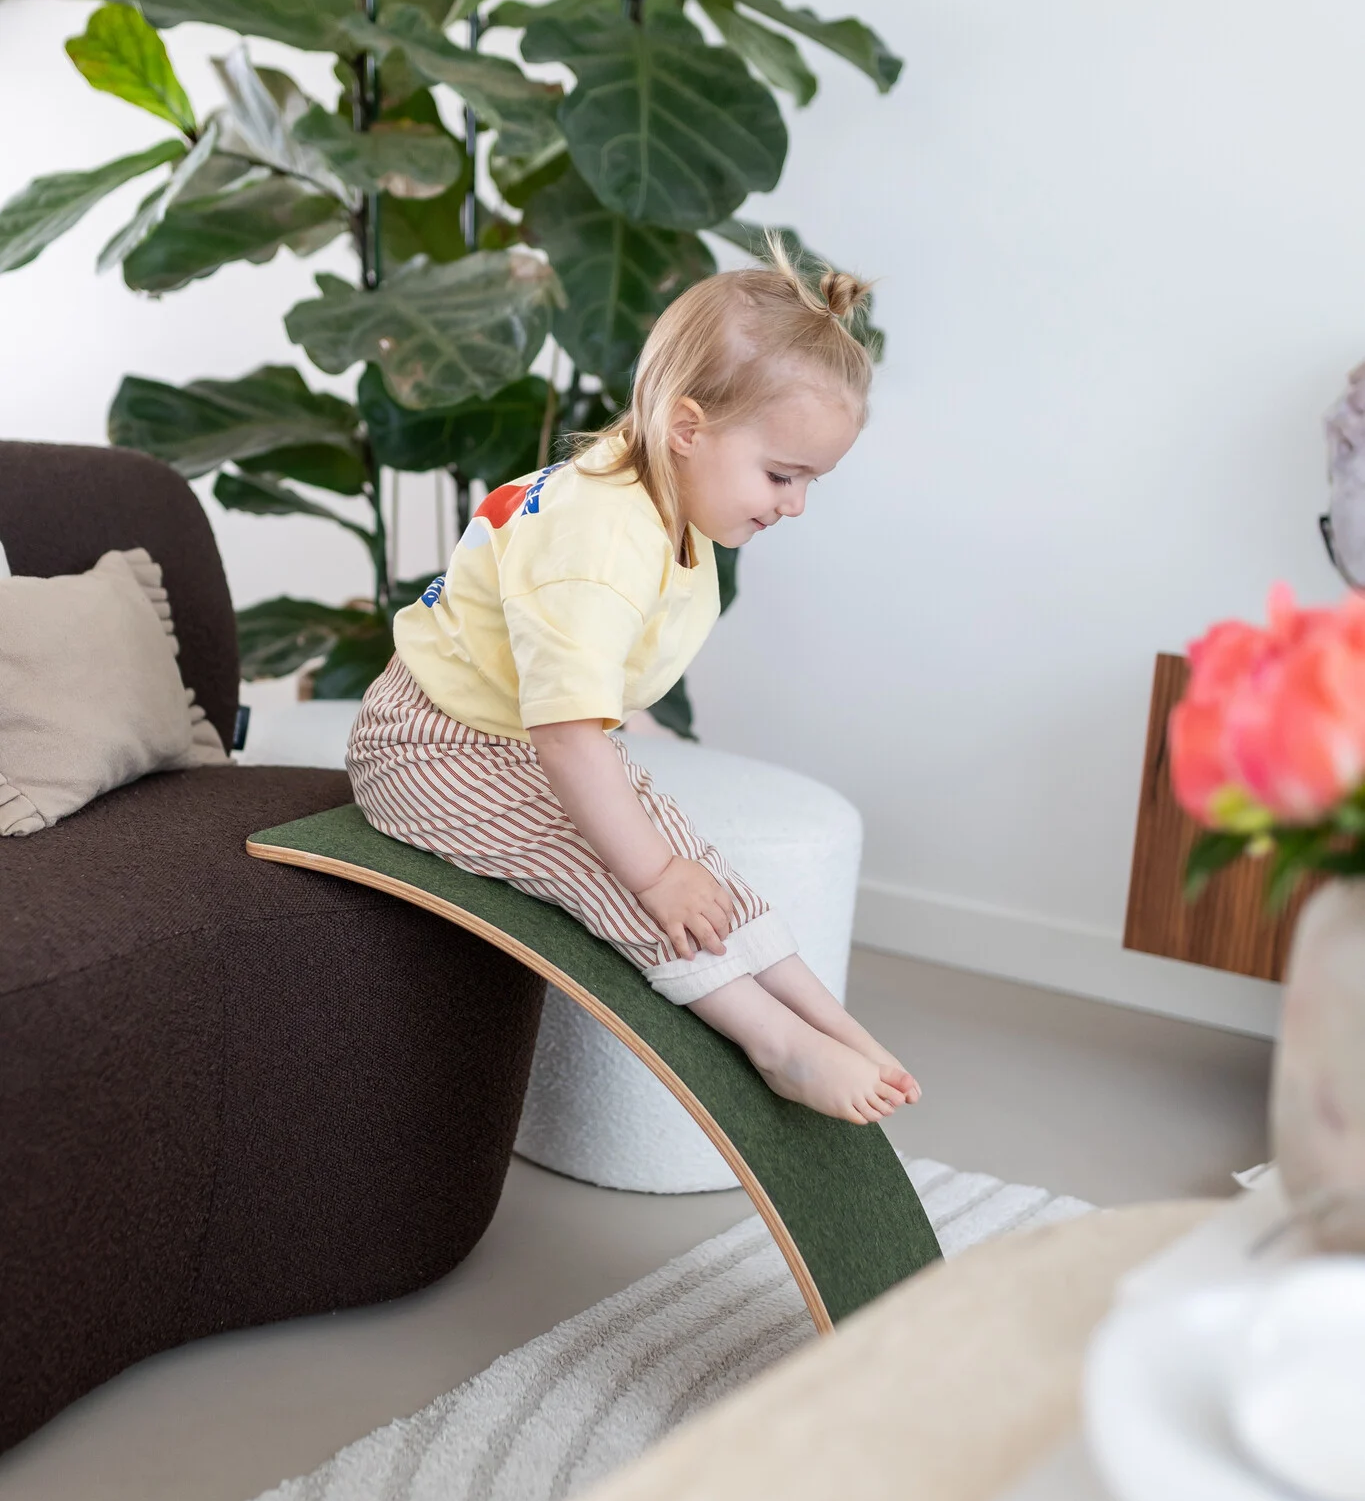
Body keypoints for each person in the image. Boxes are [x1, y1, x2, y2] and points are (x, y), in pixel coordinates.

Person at [346, 239, 921, 1125]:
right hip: (426, 747)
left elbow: (593, 681)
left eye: (810, 481)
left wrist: (668, 853)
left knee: (693, 857)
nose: (794, 504)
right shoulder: (599, 543)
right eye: (781, 475)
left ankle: (822, 1016)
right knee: (615, 867)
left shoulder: (668, 487)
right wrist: (652, 876)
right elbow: (569, 736)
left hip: (511, 732)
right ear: (687, 428)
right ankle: (775, 1042)